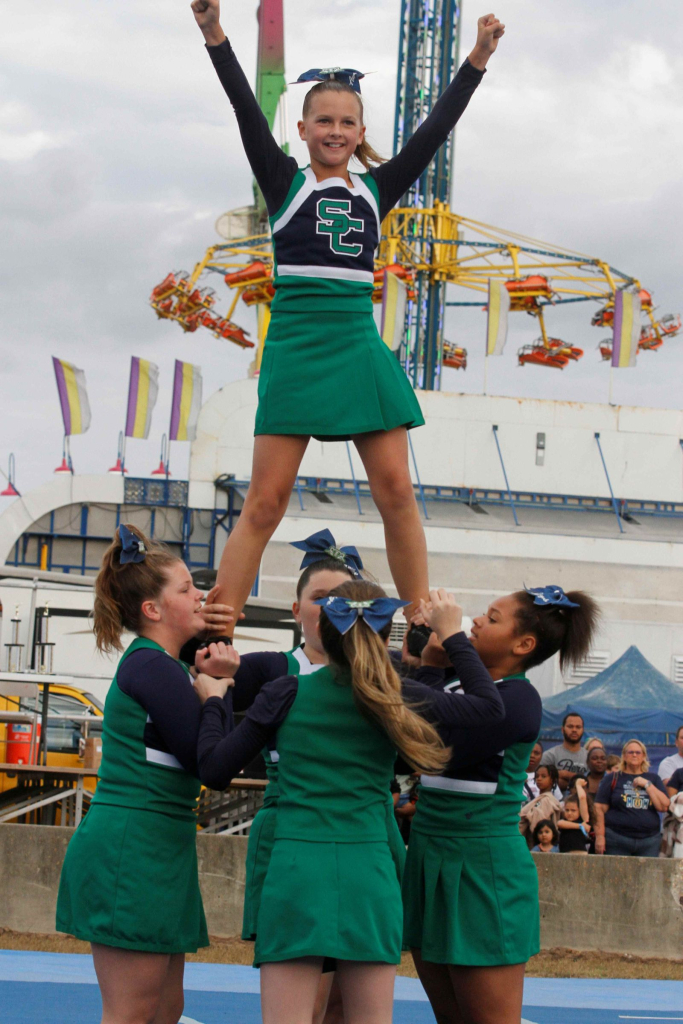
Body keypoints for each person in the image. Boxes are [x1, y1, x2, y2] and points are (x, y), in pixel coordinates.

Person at [189, 0, 504, 631]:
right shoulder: (283, 182)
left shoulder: (376, 188)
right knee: (265, 503)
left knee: (398, 493)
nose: (336, 130)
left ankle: (421, 629)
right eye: (323, 120)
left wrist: (476, 60)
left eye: (348, 122)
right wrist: (214, 34)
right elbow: (245, 110)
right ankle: (216, 624)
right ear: (303, 130)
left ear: (360, 133)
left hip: (358, 344)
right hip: (300, 347)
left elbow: (435, 130)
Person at [194, 583, 505, 1024]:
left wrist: (214, 700)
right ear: (385, 637)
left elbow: (214, 770)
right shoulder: (394, 697)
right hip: (369, 871)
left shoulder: (287, 692)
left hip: (297, 869)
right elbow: (489, 709)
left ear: (324, 628)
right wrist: (451, 634)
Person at [56, 526, 239, 1024]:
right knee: (133, 1011)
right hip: (131, 848)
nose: (199, 595)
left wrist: (216, 642)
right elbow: (211, 759)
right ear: (152, 610)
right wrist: (219, 693)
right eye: (185, 590)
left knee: (165, 1008)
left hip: (158, 844)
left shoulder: (167, 665)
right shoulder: (152, 667)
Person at [403, 584, 600, 1024]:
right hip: (428, 855)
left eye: (492, 619)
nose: (474, 621)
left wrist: (451, 641)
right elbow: (402, 737)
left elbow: (434, 744)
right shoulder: (453, 685)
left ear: (523, 645)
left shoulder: (520, 699)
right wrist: (428, 665)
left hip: (481, 865)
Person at [594, 739, 670, 857]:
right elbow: (598, 808)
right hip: (617, 839)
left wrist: (647, 785)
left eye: (638, 752)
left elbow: (664, 806)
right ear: (624, 756)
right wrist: (599, 836)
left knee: (647, 876)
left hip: (649, 841)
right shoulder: (612, 778)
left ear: (644, 756)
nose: (634, 755)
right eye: (630, 752)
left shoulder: (653, 779)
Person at [541, 713, 588, 789]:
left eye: (578, 727)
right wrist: (577, 780)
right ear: (562, 730)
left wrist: (563, 774)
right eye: (570, 726)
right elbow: (541, 781)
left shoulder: (589, 757)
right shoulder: (549, 755)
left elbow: (590, 783)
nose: (574, 730)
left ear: (583, 730)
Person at [519, 764, 563, 843]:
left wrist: (528, 815)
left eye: (543, 776)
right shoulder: (540, 799)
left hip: (539, 843)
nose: (539, 779)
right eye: (537, 776)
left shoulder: (547, 800)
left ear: (552, 780)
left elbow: (538, 824)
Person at [557, 780, 592, 854]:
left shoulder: (584, 820)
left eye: (573, 810)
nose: (569, 813)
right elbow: (559, 823)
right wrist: (580, 826)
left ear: (579, 811)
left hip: (580, 854)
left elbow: (582, 798)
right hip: (564, 854)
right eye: (567, 810)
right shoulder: (564, 822)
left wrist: (578, 786)